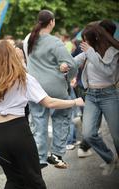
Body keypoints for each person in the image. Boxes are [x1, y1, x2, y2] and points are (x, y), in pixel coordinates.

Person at [0, 40, 84, 189]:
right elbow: (49, 103)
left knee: (13, 179)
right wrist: (75, 102)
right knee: (33, 178)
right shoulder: (23, 78)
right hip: (17, 131)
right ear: (11, 55)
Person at [24, 10, 78, 169]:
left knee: (38, 122)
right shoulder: (55, 42)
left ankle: (40, 157)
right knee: (62, 117)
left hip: (34, 88)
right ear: (52, 22)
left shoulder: (29, 39)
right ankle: (57, 153)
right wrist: (68, 78)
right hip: (55, 88)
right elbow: (72, 65)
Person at [74, 24, 119, 176]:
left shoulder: (112, 51)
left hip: (109, 94)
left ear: (96, 37)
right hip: (91, 95)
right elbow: (75, 60)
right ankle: (110, 158)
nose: (84, 42)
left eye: (86, 39)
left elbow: (108, 73)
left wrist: (91, 53)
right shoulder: (88, 51)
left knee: (116, 136)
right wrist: (64, 65)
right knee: (88, 134)